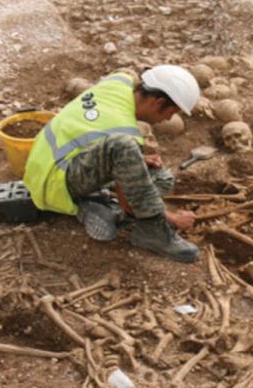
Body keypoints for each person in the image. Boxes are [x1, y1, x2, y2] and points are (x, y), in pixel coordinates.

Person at [23, 65, 200, 262]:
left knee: (162, 177)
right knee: (125, 149)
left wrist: (135, 162)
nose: (168, 118)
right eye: (171, 113)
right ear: (158, 103)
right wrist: (173, 218)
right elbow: (130, 205)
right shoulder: (126, 134)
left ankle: (93, 202)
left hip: (45, 163)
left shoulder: (119, 82)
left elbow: (95, 128)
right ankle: (152, 233)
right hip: (52, 183)